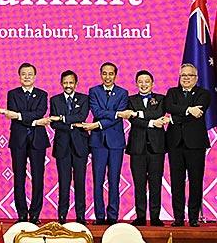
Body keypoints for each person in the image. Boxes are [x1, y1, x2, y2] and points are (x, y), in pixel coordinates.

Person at [0, 63, 48, 224]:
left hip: (38, 140)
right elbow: (12, 113)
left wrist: (20, 116)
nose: (27, 77)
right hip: (18, 139)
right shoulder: (12, 94)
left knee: (38, 177)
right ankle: (21, 214)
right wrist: (32, 120)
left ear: (35, 76)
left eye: (30, 74)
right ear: (19, 77)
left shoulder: (42, 94)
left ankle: (35, 214)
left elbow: (40, 112)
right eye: (24, 74)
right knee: (19, 177)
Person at [83, 62, 131, 225]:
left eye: (111, 73)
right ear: (100, 74)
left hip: (116, 142)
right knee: (97, 180)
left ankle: (113, 216)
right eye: (104, 73)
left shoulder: (123, 93)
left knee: (114, 180)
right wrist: (117, 113)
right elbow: (97, 112)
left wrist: (101, 122)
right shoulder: (93, 91)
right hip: (98, 142)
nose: (107, 76)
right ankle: (100, 216)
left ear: (115, 75)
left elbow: (115, 117)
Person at [165, 63, 211, 227]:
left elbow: (197, 114)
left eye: (189, 75)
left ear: (196, 78)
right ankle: (178, 218)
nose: (185, 78)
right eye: (183, 75)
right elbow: (169, 106)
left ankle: (193, 218)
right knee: (176, 182)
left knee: (195, 181)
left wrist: (172, 119)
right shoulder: (172, 92)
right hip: (175, 143)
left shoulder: (204, 94)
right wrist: (188, 110)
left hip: (196, 144)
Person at [126, 70, 167, 227]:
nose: (143, 84)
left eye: (147, 81)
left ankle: (155, 217)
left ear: (152, 83)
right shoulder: (130, 100)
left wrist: (139, 114)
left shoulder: (161, 99)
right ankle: (141, 216)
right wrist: (150, 121)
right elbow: (133, 120)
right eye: (140, 81)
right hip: (137, 148)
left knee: (156, 183)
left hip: (157, 147)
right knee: (139, 183)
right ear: (136, 83)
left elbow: (158, 113)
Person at [48, 70, 89, 225]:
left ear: (76, 84)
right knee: (64, 183)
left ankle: (80, 216)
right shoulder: (55, 100)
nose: (68, 85)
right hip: (62, 146)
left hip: (80, 146)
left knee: (80, 182)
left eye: (71, 82)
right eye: (65, 82)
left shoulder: (84, 99)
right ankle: (62, 216)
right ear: (61, 83)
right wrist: (71, 124)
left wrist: (63, 118)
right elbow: (53, 123)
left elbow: (82, 116)